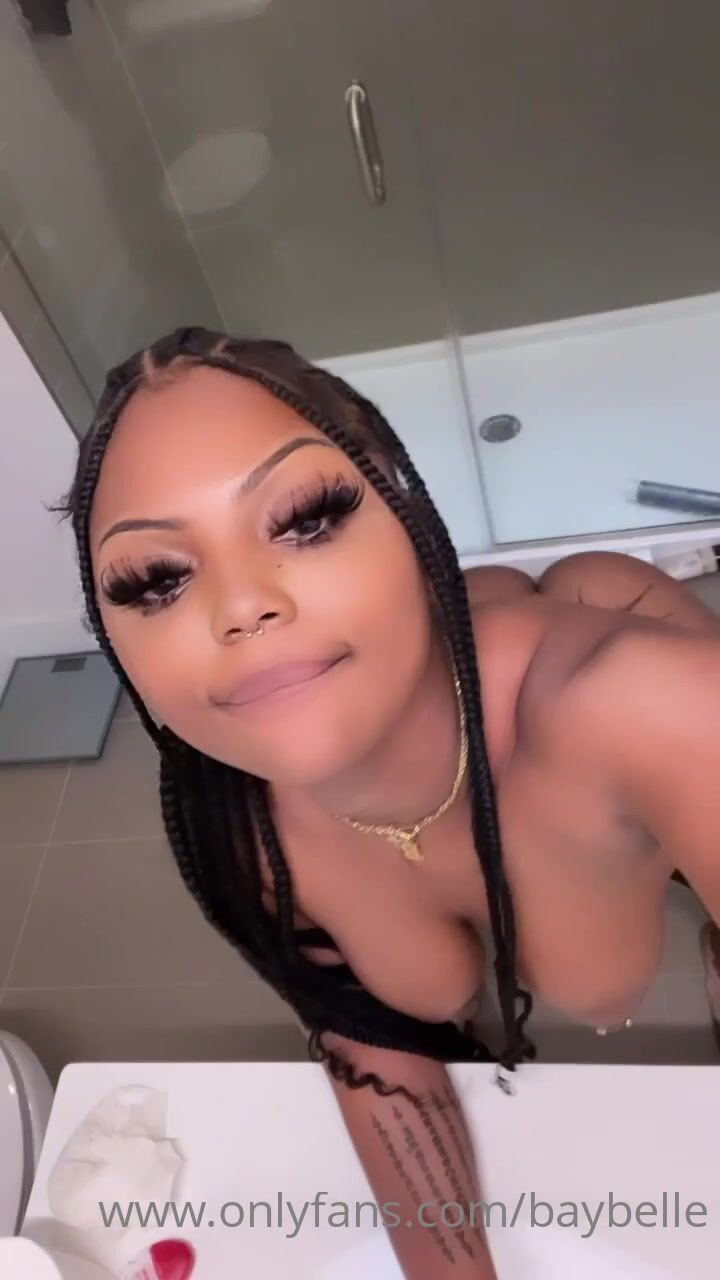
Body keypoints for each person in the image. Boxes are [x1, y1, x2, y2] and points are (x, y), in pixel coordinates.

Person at [54, 326, 720, 1279]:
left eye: (306, 519)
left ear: (404, 506)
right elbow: (373, 1050)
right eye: (156, 581)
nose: (240, 607)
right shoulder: (230, 815)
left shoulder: (659, 707)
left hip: (599, 634)